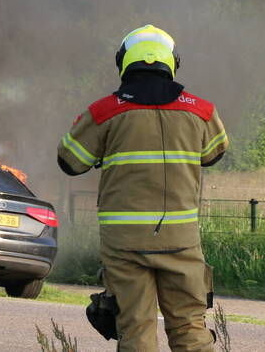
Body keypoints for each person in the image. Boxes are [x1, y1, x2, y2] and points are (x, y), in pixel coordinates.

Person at [58, 24, 228, 351]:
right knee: (190, 326)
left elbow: (70, 162)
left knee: (135, 327)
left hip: (124, 242)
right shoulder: (201, 110)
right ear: (172, 62)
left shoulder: (104, 111)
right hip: (181, 240)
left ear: (123, 61)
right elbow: (213, 154)